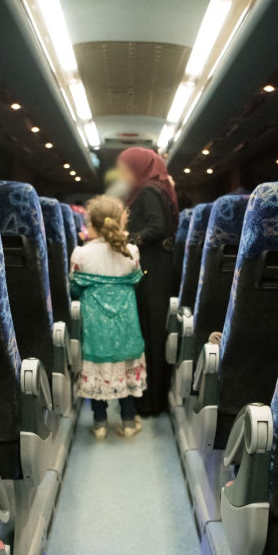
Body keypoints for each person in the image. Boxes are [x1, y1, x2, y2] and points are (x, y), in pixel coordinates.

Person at [70, 196, 146, 439]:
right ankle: (128, 422)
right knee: (123, 368)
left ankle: (100, 424)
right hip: (125, 327)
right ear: (120, 220)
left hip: (95, 329)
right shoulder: (131, 252)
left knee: (98, 371)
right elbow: (136, 282)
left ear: (90, 223)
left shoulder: (81, 254)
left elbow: (74, 288)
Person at [116, 146, 178, 415]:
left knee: (150, 331)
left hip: (152, 269)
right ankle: (151, 398)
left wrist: (124, 238)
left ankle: (150, 401)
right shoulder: (156, 187)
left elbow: (157, 228)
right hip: (157, 268)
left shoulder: (150, 191)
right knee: (153, 330)